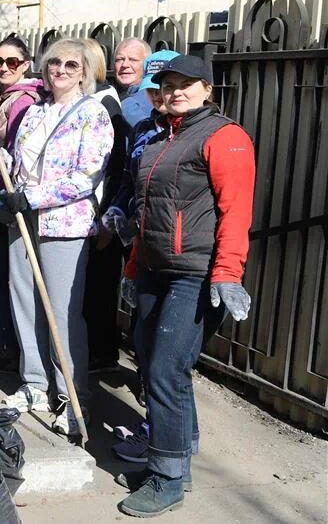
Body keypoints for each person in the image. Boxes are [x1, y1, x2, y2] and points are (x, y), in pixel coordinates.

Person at [115, 54, 254, 517]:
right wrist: (134, 268)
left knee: (165, 371)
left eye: (186, 84)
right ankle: (179, 458)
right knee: (154, 364)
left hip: (195, 273)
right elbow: (146, 213)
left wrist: (228, 273)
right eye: (168, 84)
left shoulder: (225, 137)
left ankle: (166, 478)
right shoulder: (158, 138)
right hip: (155, 268)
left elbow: (236, 212)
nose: (175, 91)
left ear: (207, 90)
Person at [0, 38, 113, 438]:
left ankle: (73, 398)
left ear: (85, 71)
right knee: (25, 304)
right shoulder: (36, 112)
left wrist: (33, 197)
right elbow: (22, 167)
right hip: (22, 220)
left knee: (61, 312)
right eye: (54, 62)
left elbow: (86, 176)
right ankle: (35, 384)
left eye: (71, 65)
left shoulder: (93, 114)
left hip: (63, 224)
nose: (60, 70)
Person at [101, 48, 179, 466]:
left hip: (181, 257)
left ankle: (166, 439)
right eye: (155, 91)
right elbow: (129, 181)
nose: (159, 98)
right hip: (142, 248)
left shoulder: (197, 135)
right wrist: (118, 205)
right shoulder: (144, 129)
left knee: (167, 358)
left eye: (167, 90)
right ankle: (166, 432)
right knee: (146, 342)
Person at [0, 37, 44, 369]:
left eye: (11, 62)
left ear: (26, 64)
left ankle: (11, 349)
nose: (3, 67)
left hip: (10, 201)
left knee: (2, 277)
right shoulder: (3, 98)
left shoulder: (23, 102)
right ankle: (6, 345)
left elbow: (14, 161)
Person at [80, 39, 128, 373]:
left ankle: (102, 354)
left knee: (98, 288)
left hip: (98, 211)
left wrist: (105, 218)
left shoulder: (105, 103)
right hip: (87, 211)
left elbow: (114, 165)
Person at [114, 38, 153, 128]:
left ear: (147, 65)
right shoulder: (115, 96)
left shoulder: (153, 100)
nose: (124, 65)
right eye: (119, 59)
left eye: (133, 60)